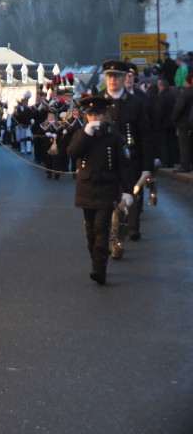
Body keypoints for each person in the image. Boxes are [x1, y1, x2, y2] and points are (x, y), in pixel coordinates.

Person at [67, 96, 134, 285]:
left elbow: (125, 166)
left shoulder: (114, 137)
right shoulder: (81, 134)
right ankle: (95, 259)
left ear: (105, 115)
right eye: (91, 114)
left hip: (107, 187)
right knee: (90, 229)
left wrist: (127, 191)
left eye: (98, 114)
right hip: (86, 187)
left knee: (101, 228)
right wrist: (85, 134)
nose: (94, 118)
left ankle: (99, 267)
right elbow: (72, 153)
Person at [99, 59, 153, 242]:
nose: (113, 80)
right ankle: (112, 227)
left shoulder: (135, 103)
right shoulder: (98, 102)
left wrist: (147, 165)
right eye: (109, 76)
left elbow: (145, 135)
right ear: (105, 78)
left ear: (124, 78)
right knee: (108, 196)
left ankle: (132, 226)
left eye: (117, 76)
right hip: (105, 158)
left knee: (132, 192)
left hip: (131, 158)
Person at [171, 73, 193, 173]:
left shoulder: (185, 93)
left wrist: (173, 119)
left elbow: (178, 108)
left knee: (184, 146)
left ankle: (185, 166)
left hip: (184, 123)